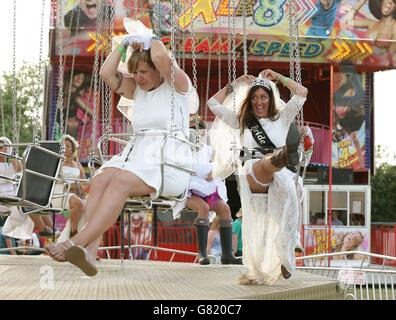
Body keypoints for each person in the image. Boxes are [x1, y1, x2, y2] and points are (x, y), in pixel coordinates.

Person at [45, 20, 197, 277]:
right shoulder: (137, 90)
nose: (138, 77)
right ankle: (90, 253)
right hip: (137, 155)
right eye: (135, 72)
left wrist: (149, 38)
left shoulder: (178, 88)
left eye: (144, 72)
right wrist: (124, 45)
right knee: (102, 179)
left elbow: (161, 56)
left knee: (121, 181)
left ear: (159, 71)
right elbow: (106, 73)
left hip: (168, 158)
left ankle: (73, 242)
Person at [208, 69, 308, 284]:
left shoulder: (282, 118)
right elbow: (212, 104)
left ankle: (287, 249)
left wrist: (279, 78)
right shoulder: (242, 121)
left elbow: (301, 93)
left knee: (295, 187)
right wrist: (234, 84)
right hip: (253, 171)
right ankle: (281, 156)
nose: (258, 102)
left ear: (271, 98)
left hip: (280, 178)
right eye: (254, 97)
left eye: (263, 97)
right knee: (269, 165)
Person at [186, 121, 241, 265]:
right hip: (190, 189)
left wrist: (212, 171)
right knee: (203, 208)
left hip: (207, 188)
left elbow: (216, 165)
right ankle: (203, 254)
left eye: (203, 133)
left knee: (225, 208)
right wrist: (207, 171)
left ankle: (227, 254)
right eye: (196, 132)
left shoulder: (207, 149)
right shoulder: (184, 148)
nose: (200, 136)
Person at [53, 135, 88, 242]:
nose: (65, 149)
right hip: (60, 193)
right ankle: (73, 234)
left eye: (67, 146)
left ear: (73, 148)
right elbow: (56, 180)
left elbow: (83, 183)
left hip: (75, 194)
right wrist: (75, 187)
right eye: (63, 147)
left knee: (90, 208)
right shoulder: (58, 162)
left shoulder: (77, 165)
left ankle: (85, 243)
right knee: (79, 203)